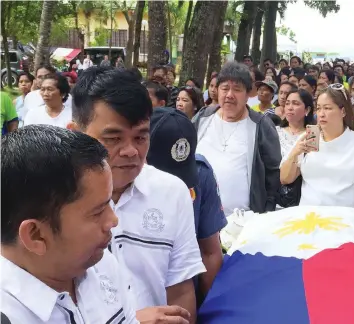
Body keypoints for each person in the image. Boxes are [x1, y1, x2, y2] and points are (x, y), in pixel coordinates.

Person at [68, 66, 204, 322]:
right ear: (75, 134)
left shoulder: (172, 193)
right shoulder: (52, 198)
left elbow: (180, 289)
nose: (131, 151)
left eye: (141, 137)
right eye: (114, 138)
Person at [1, 125, 139, 323]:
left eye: (109, 203)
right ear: (35, 235)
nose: (113, 221)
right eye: (98, 211)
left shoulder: (101, 264)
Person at [147, 107, 226, 304]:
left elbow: (210, 251)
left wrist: (208, 310)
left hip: (185, 297)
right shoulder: (119, 184)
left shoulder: (202, 173)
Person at [193, 62, 281, 215]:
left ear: (248, 95)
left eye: (237, 89)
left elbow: (273, 174)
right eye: (225, 88)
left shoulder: (260, 125)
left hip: (243, 221)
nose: (229, 95)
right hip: (199, 217)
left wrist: (266, 212)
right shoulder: (203, 118)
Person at [280, 84, 354, 212]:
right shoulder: (307, 138)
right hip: (307, 219)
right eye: (319, 108)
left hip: (344, 220)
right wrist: (295, 152)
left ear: (342, 111)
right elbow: (285, 178)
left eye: (327, 108)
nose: (321, 114)